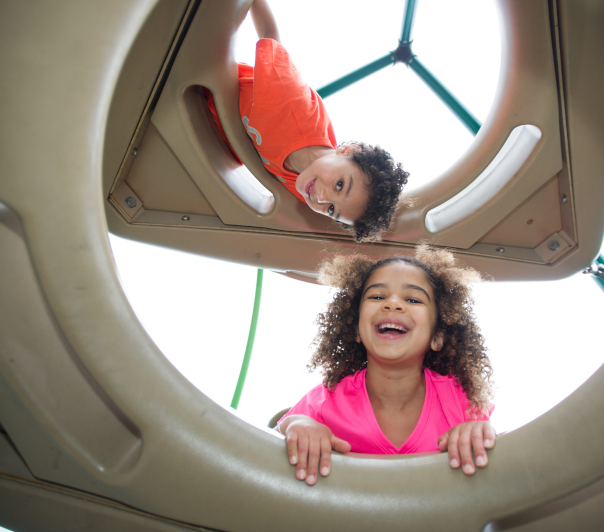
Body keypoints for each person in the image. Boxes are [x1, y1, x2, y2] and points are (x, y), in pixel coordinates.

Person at [277, 245, 495, 485]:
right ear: (356, 328)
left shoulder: (463, 403)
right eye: (377, 296)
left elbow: (491, 452)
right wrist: (297, 424)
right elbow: (272, 439)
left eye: (412, 299)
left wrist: (477, 431)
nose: (392, 304)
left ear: (437, 336)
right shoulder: (324, 402)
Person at [206, 0, 409, 242]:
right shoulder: (290, 103)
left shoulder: (307, 184)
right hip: (202, 92)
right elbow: (270, 34)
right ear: (346, 151)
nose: (322, 197)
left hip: (209, 134)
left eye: (332, 210)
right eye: (340, 185)